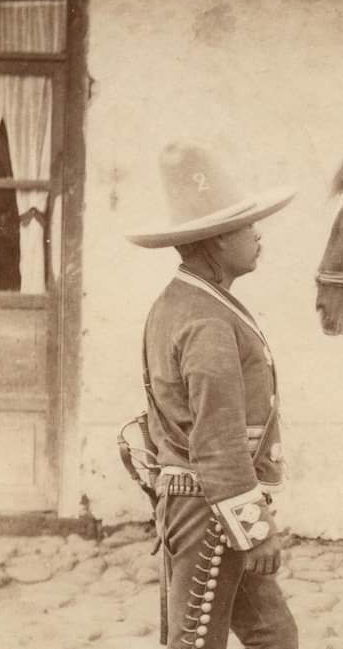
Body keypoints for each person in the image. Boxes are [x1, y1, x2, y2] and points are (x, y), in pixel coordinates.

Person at [127, 142, 298, 649]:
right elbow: (217, 438)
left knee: (274, 636)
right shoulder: (205, 320)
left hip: (208, 505)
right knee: (196, 643)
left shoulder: (187, 302)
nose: (257, 233)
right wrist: (256, 527)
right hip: (210, 510)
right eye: (247, 225)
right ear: (218, 241)